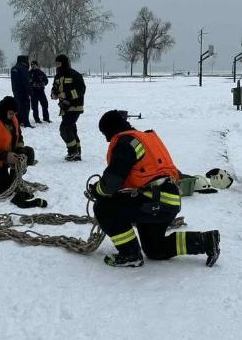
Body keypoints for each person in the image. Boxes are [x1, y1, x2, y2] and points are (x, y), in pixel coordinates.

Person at [88, 110, 220, 267]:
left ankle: (130, 254)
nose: (107, 140)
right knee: (155, 249)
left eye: (106, 135)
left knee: (104, 208)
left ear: (110, 129)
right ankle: (205, 241)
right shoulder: (144, 140)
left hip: (153, 200)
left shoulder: (126, 143)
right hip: (166, 202)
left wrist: (97, 191)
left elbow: (111, 184)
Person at [50, 54, 86, 161]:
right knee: (71, 129)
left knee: (64, 129)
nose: (57, 66)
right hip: (64, 107)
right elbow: (54, 88)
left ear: (64, 63)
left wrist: (66, 95)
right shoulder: (57, 76)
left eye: (59, 63)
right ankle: (77, 151)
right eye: (56, 64)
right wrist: (53, 94)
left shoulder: (74, 74)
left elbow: (81, 90)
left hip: (75, 106)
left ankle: (73, 151)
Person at [10, 55, 33, 128]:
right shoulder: (23, 68)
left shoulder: (14, 68)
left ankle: (18, 121)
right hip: (23, 91)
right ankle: (26, 122)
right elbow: (25, 82)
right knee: (25, 107)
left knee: (18, 106)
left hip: (15, 91)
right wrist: (30, 92)